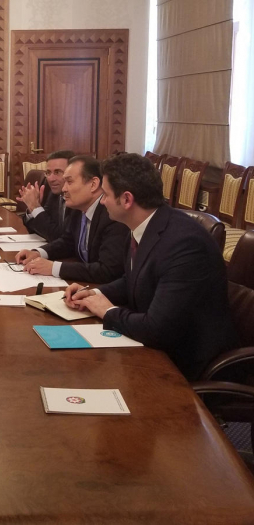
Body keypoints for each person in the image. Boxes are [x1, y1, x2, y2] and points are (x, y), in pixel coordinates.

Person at [64, 153, 238, 380]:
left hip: (186, 366)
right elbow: (133, 279)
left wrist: (106, 311)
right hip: (153, 349)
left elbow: (156, 330)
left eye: (105, 194)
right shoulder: (143, 224)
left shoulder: (184, 243)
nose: (103, 201)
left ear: (127, 200)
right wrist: (94, 293)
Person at [15, 155, 128, 283]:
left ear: (93, 184)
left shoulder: (112, 214)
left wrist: (54, 268)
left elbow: (107, 271)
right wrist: (39, 253)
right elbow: (68, 242)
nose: (64, 189)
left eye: (69, 182)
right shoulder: (79, 208)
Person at [18, 150, 77, 241]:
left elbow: (58, 237)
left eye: (57, 172)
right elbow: (38, 230)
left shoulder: (78, 200)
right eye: (48, 173)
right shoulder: (54, 193)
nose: (50, 179)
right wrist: (32, 208)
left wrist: (35, 207)